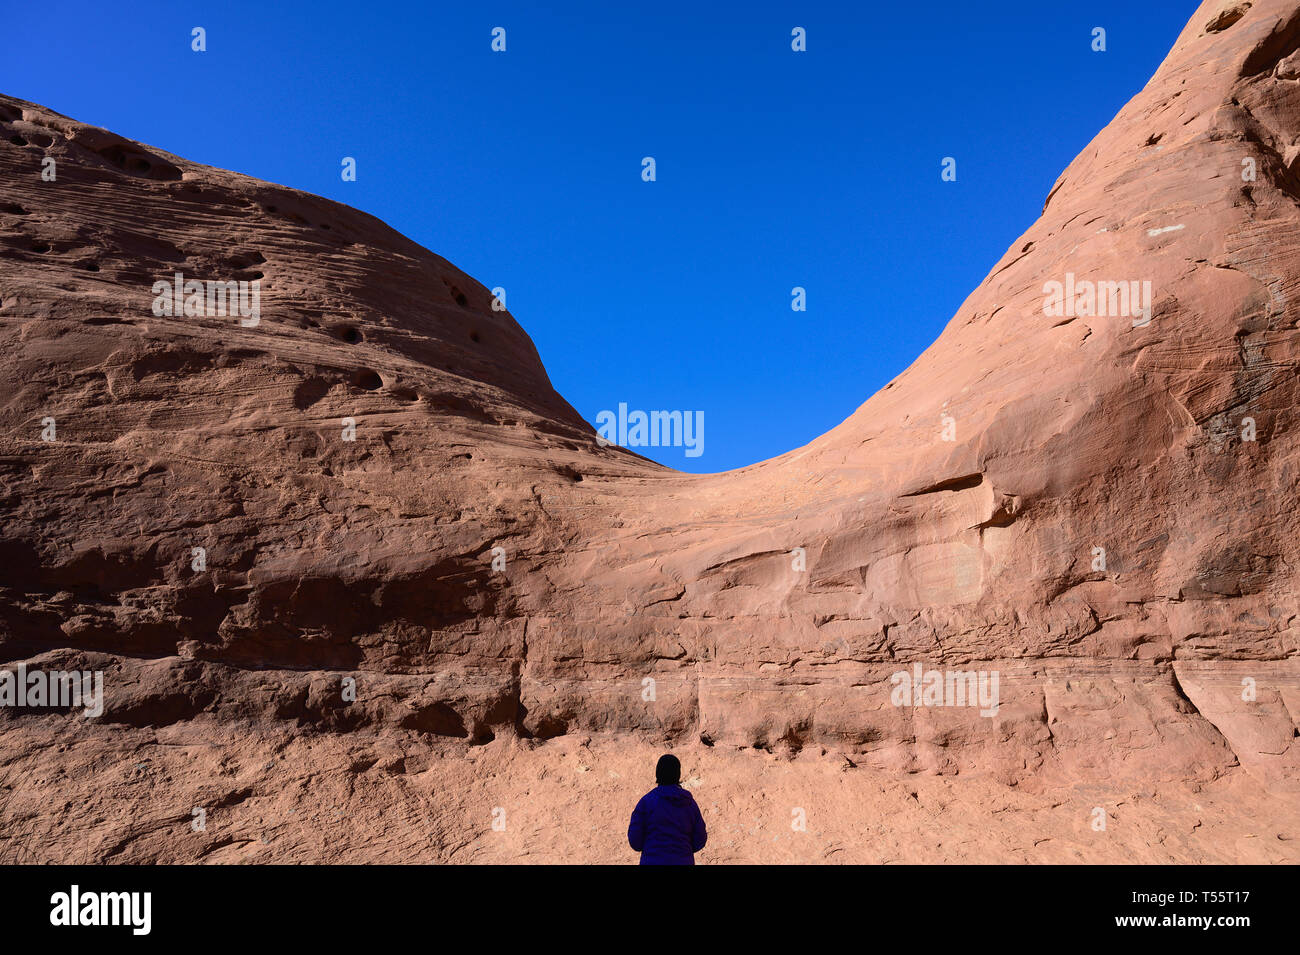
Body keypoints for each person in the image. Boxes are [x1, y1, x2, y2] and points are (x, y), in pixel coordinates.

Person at [627, 753, 707, 865]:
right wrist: (683, 851)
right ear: (678, 775)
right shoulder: (689, 804)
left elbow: (635, 841)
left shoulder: (646, 802)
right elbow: (700, 839)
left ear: (658, 774)